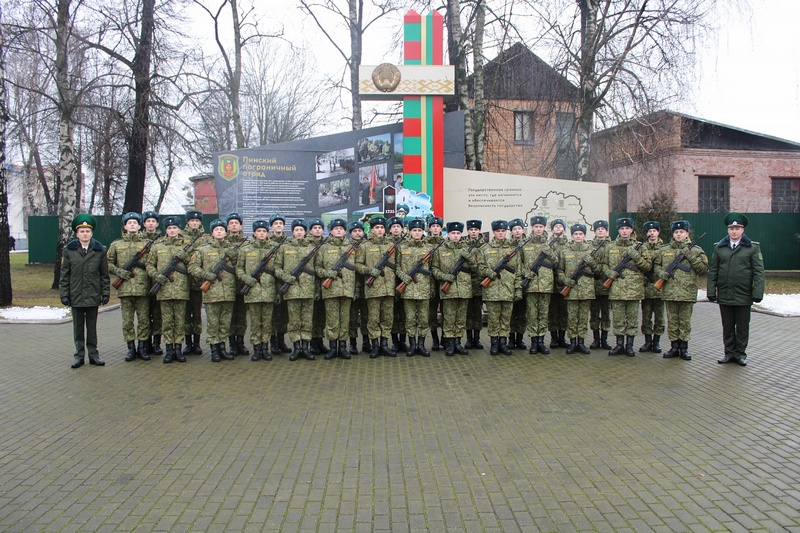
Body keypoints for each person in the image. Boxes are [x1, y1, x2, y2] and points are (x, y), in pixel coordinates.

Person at [707, 212, 765, 366]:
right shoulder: (719, 248)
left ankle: (740, 354)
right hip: (725, 294)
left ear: (742, 230)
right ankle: (729, 353)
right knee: (727, 326)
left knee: (742, 327)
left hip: (743, 295)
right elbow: (713, 271)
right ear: (728, 230)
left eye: (737, 228)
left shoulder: (752, 248)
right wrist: (711, 291)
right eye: (731, 228)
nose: (734, 231)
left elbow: (759, 272)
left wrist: (757, 293)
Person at [60, 214, 110, 368]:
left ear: (92, 233)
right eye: (81, 231)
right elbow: (64, 275)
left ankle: (93, 355)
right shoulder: (69, 251)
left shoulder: (99, 250)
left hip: (93, 294)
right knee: (78, 328)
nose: (85, 234)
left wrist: (105, 293)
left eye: (87, 231)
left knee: (92, 328)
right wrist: (64, 294)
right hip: (76, 295)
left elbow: (104, 275)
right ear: (77, 234)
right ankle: (79, 355)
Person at [655, 220, 708, 361]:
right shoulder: (665, 250)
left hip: (687, 293)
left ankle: (684, 348)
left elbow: (703, 269)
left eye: (682, 232)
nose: (679, 234)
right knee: (672, 321)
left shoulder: (696, 250)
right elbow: (656, 266)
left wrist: (689, 255)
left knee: (684, 322)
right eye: (676, 232)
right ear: (673, 234)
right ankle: (674, 347)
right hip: (670, 292)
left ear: (687, 234)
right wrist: (661, 274)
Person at [188, 219, 238, 362]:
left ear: (225, 232)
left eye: (221, 230)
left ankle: (223, 348)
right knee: (213, 323)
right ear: (212, 232)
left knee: (225, 322)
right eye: (216, 230)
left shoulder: (232, 249)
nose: (219, 232)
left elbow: (239, 268)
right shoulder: (203, 249)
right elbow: (192, 267)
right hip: (212, 293)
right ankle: (214, 350)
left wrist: (234, 259)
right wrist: (206, 275)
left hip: (228, 292)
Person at [108, 212, 152, 362]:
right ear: (125, 226)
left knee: (144, 320)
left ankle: (142, 348)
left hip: (142, 289)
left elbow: (153, 263)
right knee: (127, 321)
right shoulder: (116, 244)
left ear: (140, 226)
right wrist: (119, 271)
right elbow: (108, 263)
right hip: (125, 289)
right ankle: (130, 348)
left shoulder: (146, 244)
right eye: (130, 223)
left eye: (135, 223)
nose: (132, 225)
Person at [605, 217, 652, 357]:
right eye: (622, 229)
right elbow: (603, 264)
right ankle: (619, 345)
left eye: (627, 228)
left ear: (632, 230)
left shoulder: (641, 247)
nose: (624, 231)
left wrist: (636, 256)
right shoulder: (610, 247)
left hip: (634, 290)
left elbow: (647, 266)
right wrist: (610, 273)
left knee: (632, 319)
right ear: (618, 230)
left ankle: (629, 346)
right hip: (617, 289)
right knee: (618, 318)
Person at [146, 216, 190, 363]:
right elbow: (149, 265)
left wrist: (186, 258)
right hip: (164, 289)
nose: (172, 230)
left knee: (179, 321)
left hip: (181, 289)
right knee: (167, 321)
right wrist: (156, 275)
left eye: (175, 228)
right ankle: (169, 349)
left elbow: (194, 266)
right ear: (166, 230)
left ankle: (178, 348)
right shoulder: (157, 247)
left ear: (179, 229)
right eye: (169, 228)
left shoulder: (186, 246)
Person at [431, 221, 477, 356]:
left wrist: (469, 258)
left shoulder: (467, 250)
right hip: (448, 290)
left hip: (464, 290)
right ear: (448, 234)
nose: (456, 236)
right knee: (449, 318)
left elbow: (475, 269)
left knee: (461, 319)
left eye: (458, 233)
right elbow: (434, 269)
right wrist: (445, 277)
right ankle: (449, 344)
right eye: (453, 233)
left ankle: (458, 343)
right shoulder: (440, 250)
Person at [237, 219, 280, 361]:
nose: (261, 233)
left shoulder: (274, 249)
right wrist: (246, 279)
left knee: (267, 322)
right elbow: (239, 269)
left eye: (264, 231)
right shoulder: (245, 249)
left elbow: (279, 268)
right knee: (255, 322)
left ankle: (265, 348)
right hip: (253, 291)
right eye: (259, 231)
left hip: (268, 291)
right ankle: (256, 348)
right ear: (254, 233)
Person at [274, 219, 316, 361]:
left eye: (301, 230)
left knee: (307, 321)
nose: (299, 232)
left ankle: (305, 347)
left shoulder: (312, 248)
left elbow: (316, 270)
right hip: (291, 290)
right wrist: (286, 277)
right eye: (296, 230)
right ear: (292, 232)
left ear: (305, 232)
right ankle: (297, 347)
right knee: (294, 321)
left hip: (308, 290)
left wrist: (316, 290)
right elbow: (277, 268)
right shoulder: (284, 248)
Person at [355, 216, 397, 358]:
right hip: (373, 289)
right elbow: (358, 265)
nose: (379, 230)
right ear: (372, 229)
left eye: (381, 227)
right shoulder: (364, 246)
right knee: (373, 319)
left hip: (389, 288)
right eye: (377, 228)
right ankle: (375, 346)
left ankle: (385, 345)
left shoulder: (391, 245)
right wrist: (369, 270)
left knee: (388, 318)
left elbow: (398, 265)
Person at [480, 220, 523, 355]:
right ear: (494, 232)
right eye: (498, 231)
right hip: (492, 290)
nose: (500, 233)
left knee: (506, 319)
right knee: (493, 319)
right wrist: (490, 273)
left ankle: (503, 343)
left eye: (503, 231)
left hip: (508, 290)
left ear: (506, 232)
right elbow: (480, 267)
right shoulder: (485, 249)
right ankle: (494, 343)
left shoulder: (512, 250)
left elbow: (518, 271)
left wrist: (517, 289)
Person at [316, 218, 356, 360]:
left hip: (347, 289)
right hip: (331, 289)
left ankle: (343, 347)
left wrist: (354, 289)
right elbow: (317, 268)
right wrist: (328, 274)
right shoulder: (324, 248)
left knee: (344, 320)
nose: (338, 230)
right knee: (332, 321)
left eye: (341, 228)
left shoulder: (352, 247)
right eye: (335, 228)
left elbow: (356, 269)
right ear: (331, 231)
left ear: (345, 231)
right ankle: (333, 347)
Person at [557, 223, 599, 354]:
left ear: (585, 235)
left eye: (581, 234)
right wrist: (565, 280)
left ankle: (581, 342)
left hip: (586, 291)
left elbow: (598, 271)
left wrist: (591, 262)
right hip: (572, 290)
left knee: (583, 318)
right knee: (572, 317)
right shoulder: (565, 251)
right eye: (576, 234)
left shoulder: (591, 251)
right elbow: (559, 270)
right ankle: (572, 342)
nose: (578, 236)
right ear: (572, 236)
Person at [397, 218, 434, 357]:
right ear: (409, 231)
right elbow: (397, 267)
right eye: (414, 230)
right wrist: (403, 277)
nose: (417, 233)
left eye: (419, 230)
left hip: (424, 289)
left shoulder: (429, 248)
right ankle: (412, 345)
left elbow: (432, 269)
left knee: (424, 319)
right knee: (410, 319)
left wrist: (431, 289)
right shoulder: (402, 247)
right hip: (407, 289)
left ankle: (421, 345)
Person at [520, 216, 557, 354]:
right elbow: (519, 264)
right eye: (536, 227)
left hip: (546, 285)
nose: (538, 229)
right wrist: (526, 273)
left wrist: (550, 253)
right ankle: (533, 342)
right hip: (531, 285)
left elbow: (556, 263)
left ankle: (541, 341)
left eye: (541, 227)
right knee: (532, 314)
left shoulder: (550, 244)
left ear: (544, 228)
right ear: (532, 228)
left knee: (543, 314)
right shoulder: (525, 244)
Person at [182, 210, 212, 356]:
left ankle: (197, 343)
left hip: (199, 282)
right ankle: (188, 343)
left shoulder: (206, 238)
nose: (194, 223)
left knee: (197, 313)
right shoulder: (181, 237)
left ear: (200, 222)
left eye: (197, 221)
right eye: (192, 220)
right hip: (184, 281)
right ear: (187, 222)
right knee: (186, 314)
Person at [225, 212, 249, 356]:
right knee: (229, 316)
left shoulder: (247, 243)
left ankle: (241, 343)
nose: (234, 225)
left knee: (241, 315)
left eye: (236, 223)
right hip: (226, 286)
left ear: (240, 226)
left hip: (242, 285)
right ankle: (232, 344)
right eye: (231, 223)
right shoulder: (222, 241)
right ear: (228, 226)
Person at [639, 220, 665, 353]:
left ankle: (656, 342)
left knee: (659, 317)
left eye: (654, 231)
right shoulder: (642, 248)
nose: (652, 233)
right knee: (646, 316)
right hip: (646, 288)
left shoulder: (665, 249)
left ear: (658, 232)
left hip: (660, 289)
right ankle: (647, 341)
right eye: (649, 231)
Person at [141, 210, 163, 356]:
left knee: (158, 314)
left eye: (153, 221)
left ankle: (156, 344)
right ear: (144, 224)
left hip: (159, 283)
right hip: (141, 282)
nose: (150, 224)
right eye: (148, 221)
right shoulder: (138, 239)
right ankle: (144, 343)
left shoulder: (162, 240)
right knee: (144, 314)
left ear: (157, 223)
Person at [347, 221, 370, 355]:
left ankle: (366, 342)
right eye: (354, 231)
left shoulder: (369, 246)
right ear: (350, 233)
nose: (357, 233)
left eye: (359, 231)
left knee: (367, 317)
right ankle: (353, 344)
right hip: (351, 287)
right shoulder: (346, 247)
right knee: (352, 317)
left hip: (368, 286)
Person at [588, 220, 612, 350]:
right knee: (594, 314)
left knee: (606, 314)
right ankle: (595, 339)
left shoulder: (612, 246)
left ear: (607, 231)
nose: (600, 231)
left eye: (603, 229)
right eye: (598, 229)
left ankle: (605, 340)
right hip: (593, 286)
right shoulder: (589, 246)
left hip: (607, 286)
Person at [548, 218, 570, 349]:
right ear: (552, 229)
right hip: (551, 281)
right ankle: (554, 338)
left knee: (564, 311)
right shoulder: (547, 244)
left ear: (564, 229)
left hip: (565, 282)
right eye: (555, 226)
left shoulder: (569, 244)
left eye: (560, 226)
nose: (558, 228)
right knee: (552, 312)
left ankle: (562, 338)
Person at [307, 218, 327, 355]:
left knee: (322, 315)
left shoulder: (327, 244)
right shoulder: (306, 244)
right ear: (310, 230)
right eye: (315, 228)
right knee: (311, 316)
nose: (317, 230)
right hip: (309, 284)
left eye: (320, 227)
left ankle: (320, 340)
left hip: (325, 285)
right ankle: (312, 343)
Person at [464, 220, 486, 349]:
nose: (473, 232)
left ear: (479, 231)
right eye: (471, 230)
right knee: (467, 312)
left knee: (477, 312)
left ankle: (477, 339)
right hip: (466, 283)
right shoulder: (463, 245)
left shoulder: (484, 246)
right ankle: (468, 339)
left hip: (480, 283)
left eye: (476, 230)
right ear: (468, 231)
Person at [508, 218, 528, 350]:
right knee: (510, 312)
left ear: (523, 230)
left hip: (526, 282)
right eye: (514, 229)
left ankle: (520, 339)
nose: (517, 231)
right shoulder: (508, 245)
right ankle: (511, 339)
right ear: (511, 231)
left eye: (519, 228)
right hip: (510, 283)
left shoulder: (529, 244)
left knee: (521, 313)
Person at [426, 216, 445, 351]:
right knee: (431, 313)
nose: (435, 228)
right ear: (429, 228)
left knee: (446, 311)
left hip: (444, 282)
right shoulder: (424, 243)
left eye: (438, 226)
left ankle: (445, 338)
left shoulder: (446, 243)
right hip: (429, 282)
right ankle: (434, 339)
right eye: (433, 226)